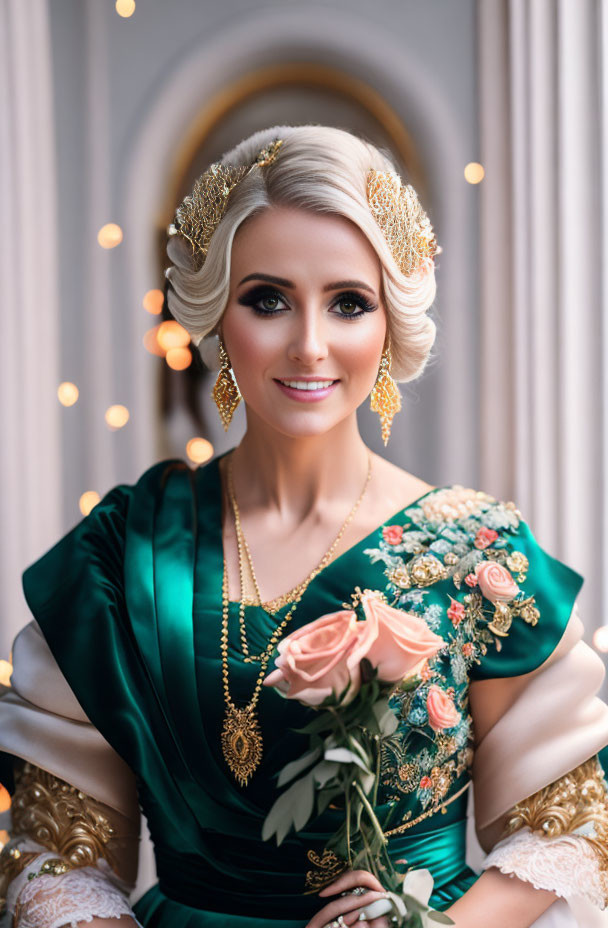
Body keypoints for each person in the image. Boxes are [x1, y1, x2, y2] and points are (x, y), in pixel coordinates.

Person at [0, 124, 607, 928]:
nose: (310, 345)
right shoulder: (121, 555)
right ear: (218, 313)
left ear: (390, 325)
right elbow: (58, 850)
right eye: (268, 299)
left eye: (348, 303)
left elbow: (567, 826)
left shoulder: (477, 554)